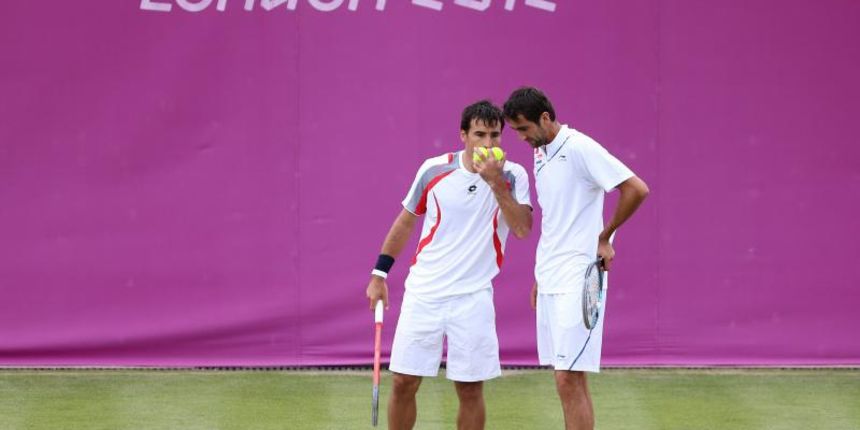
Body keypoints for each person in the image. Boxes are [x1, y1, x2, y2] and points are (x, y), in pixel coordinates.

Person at [365, 100, 533, 430]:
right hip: (424, 293)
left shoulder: (514, 176)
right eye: (479, 135)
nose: (488, 144)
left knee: (470, 390)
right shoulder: (434, 170)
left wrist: (495, 182)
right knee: (403, 382)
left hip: (473, 298)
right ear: (463, 136)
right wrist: (379, 273)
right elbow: (405, 222)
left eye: (495, 136)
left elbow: (522, 229)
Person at [503, 87, 650, 430]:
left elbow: (636, 188)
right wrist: (541, 275)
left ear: (545, 118)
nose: (521, 138)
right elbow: (556, 218)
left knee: (567, 378)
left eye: (524, 129)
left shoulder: (580, 147)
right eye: (516, 132)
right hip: (552, 276)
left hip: (580, 276)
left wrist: (605, 237)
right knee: (570, 379)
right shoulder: (540, 153)